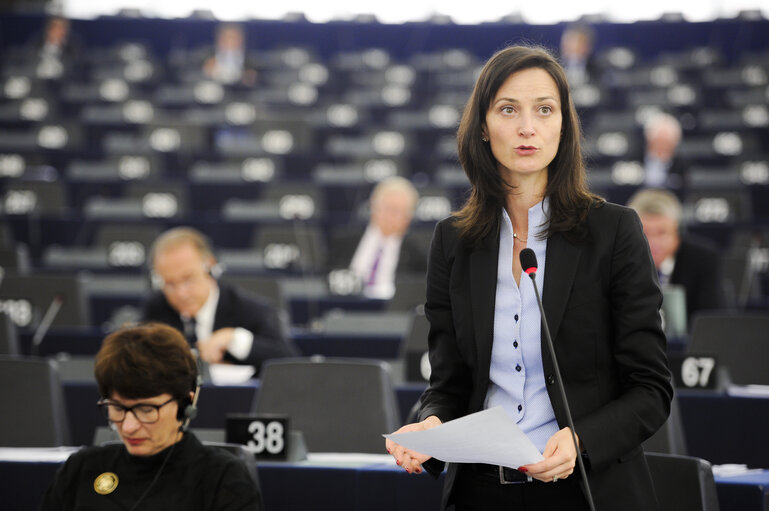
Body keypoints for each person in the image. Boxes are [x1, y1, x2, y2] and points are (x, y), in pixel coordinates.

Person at [386, 45, 673, 510]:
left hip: (583, 490)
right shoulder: (453, 241)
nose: (527, 127)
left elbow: (651, 388)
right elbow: (449, 383)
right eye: (507, 109)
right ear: (482, 126)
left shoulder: (613, 231)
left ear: (563, 124)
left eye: (544, 109)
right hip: (481, 493)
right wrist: (433, 424)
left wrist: (580, 440)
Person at [40, 323, 263, 510]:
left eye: (146, 411)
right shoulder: (80, 470)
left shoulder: (223, 480)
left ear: (186, 404)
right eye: (117, 408)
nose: (128, 427)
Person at [142, 227, 298, 370]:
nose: (181, 293)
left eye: (188, 279)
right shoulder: (156, 309)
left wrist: (235, 338)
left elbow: (288, 360)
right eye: (170, 284)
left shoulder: (250, 310)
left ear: (210, 266)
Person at [628, 187, 726, 323]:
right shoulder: (617, 259)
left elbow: (711, 321)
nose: (652, 242)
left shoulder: (703, 259)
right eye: (644, 233)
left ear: (677, 233)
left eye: (662, 233)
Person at [327, 176, 427, 299]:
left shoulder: (417, 255)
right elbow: (325, 278)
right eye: (389, 209)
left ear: (409, 217)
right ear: (373, 206)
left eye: (401, 212)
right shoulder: (343, 242)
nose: (392, 217)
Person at [642, 112, 688, 190]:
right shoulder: (635, 159)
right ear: (649, 141)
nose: (661, 149)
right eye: (658, 143)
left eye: (666, 144)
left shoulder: (681, 167)